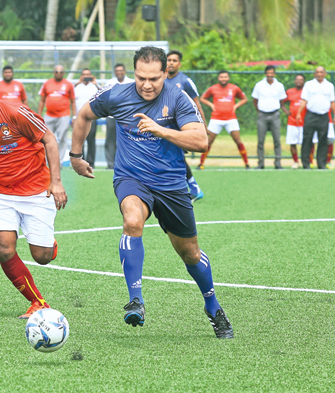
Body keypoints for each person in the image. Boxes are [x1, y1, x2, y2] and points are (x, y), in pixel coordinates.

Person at [70, 46, 233, 338]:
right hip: (132, 179)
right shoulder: (116, 94)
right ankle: (136, 300)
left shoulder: (177, 97)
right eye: (141, 77)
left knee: (190, 253)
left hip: (171, 185)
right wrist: (75, 155)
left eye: (154, 79)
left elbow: (200, 141)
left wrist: (161, 130)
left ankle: (212, 305)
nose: (146, 84)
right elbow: (83, 116)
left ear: (165, 73)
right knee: (132, 221)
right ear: (134, 73)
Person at [0, 65, 66, 319]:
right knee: (3, 248)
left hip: (37, 191)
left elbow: (49, 139)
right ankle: (37, 302)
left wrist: (57, 181)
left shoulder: (16, 112)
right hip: (2, 195)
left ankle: (48, 244)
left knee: (42, 257)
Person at [165, 50, 204, 201]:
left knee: (176, 157)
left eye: (174, 60)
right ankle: (191, 188)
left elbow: (196, 104)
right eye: (169, 60)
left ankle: (194, 188)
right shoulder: (160, 80)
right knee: (171, 157)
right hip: (164, 124)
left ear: (179, 64)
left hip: (181, 125)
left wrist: (201, 125)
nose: (171, 63)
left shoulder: (185, 81)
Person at [199, 70, 250, 169]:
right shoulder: (213, 88)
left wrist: (235, 106)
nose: (223, 79)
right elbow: (203, 98)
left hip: (231, 119)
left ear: (228, 78)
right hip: (216, 119)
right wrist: (211, 105)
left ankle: (246, 163)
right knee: (209, 141)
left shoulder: (234, 88)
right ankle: (201, 163)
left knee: (238, 140)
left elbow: (244, 99)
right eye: (221, 77)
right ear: (218, 78)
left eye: (225, 77)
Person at [297, 66, 335, 169]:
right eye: (317, 72)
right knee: (307, 140)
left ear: (325, 73)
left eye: (321, 72)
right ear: (314, 74)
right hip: (311, 115)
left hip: (324, 116)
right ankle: (306, 164)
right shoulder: (309, 85)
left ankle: (321, 164)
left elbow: (332, 101)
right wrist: (298, 113)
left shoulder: (329, 86)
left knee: (323, 141)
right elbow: (304, 100)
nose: (319, 74)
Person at [38, 65, 75, 166]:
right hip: (49, 115)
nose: (59, 73)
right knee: (45, 138)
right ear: (54, 72)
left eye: (61, 72)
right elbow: (42, 101)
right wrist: (38, 115)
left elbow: (73, 102)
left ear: (64, 73)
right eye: (57, 71)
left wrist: (74, 117)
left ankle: (60, 161)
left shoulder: (69, 84)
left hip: (64, 115)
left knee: (62, 138)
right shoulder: (47, 83)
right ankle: (45, 162)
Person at [251, 65, 287, 169]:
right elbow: (255, 100)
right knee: (261, 141)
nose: (270, 75)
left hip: (275, 114)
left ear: (274, 74)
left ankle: (278, 163)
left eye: (272, 73)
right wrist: (259, 111)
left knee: (277, 140)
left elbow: (282, 100)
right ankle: (261, 163)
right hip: (262, 115)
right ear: (265, 74)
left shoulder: (279, 85)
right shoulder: (259, 85)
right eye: (268, 73)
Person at [105, 63, 134, 170]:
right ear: (115, 72)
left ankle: (127, 164)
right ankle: (111, 164)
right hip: (112, 116)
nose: (119, 72)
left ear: (125, 71)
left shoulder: (131, 82)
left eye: (121, 70)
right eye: (117, 71)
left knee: (127, 139)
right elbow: (105, 97)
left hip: (127, 116)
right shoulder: (110, 83)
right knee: (110, 140)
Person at [73, 68, 100, 167]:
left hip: (92, 118)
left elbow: (103, 94)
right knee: (80, 141)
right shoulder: (77, 87)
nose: (86, 76)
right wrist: (78, 82)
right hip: (79, 119)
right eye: (84, 75)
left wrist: (96, 83)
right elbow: (71, 99)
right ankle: (81, 162)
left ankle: (91, 163)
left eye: (88, 74)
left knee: (91, 140)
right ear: (81, 76)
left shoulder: (94, 87)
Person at [282, 74, 305, 169]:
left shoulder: (307, 91)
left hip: (304, 121)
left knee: (306, 143)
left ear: (304, 81)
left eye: (301, 79)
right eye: (297, 79)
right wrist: (286, 111)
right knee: (292, 142)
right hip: (292, 121)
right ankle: (296, 161)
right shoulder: (289, 91)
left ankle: (306, 161)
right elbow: (282, 103)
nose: (298, 81)